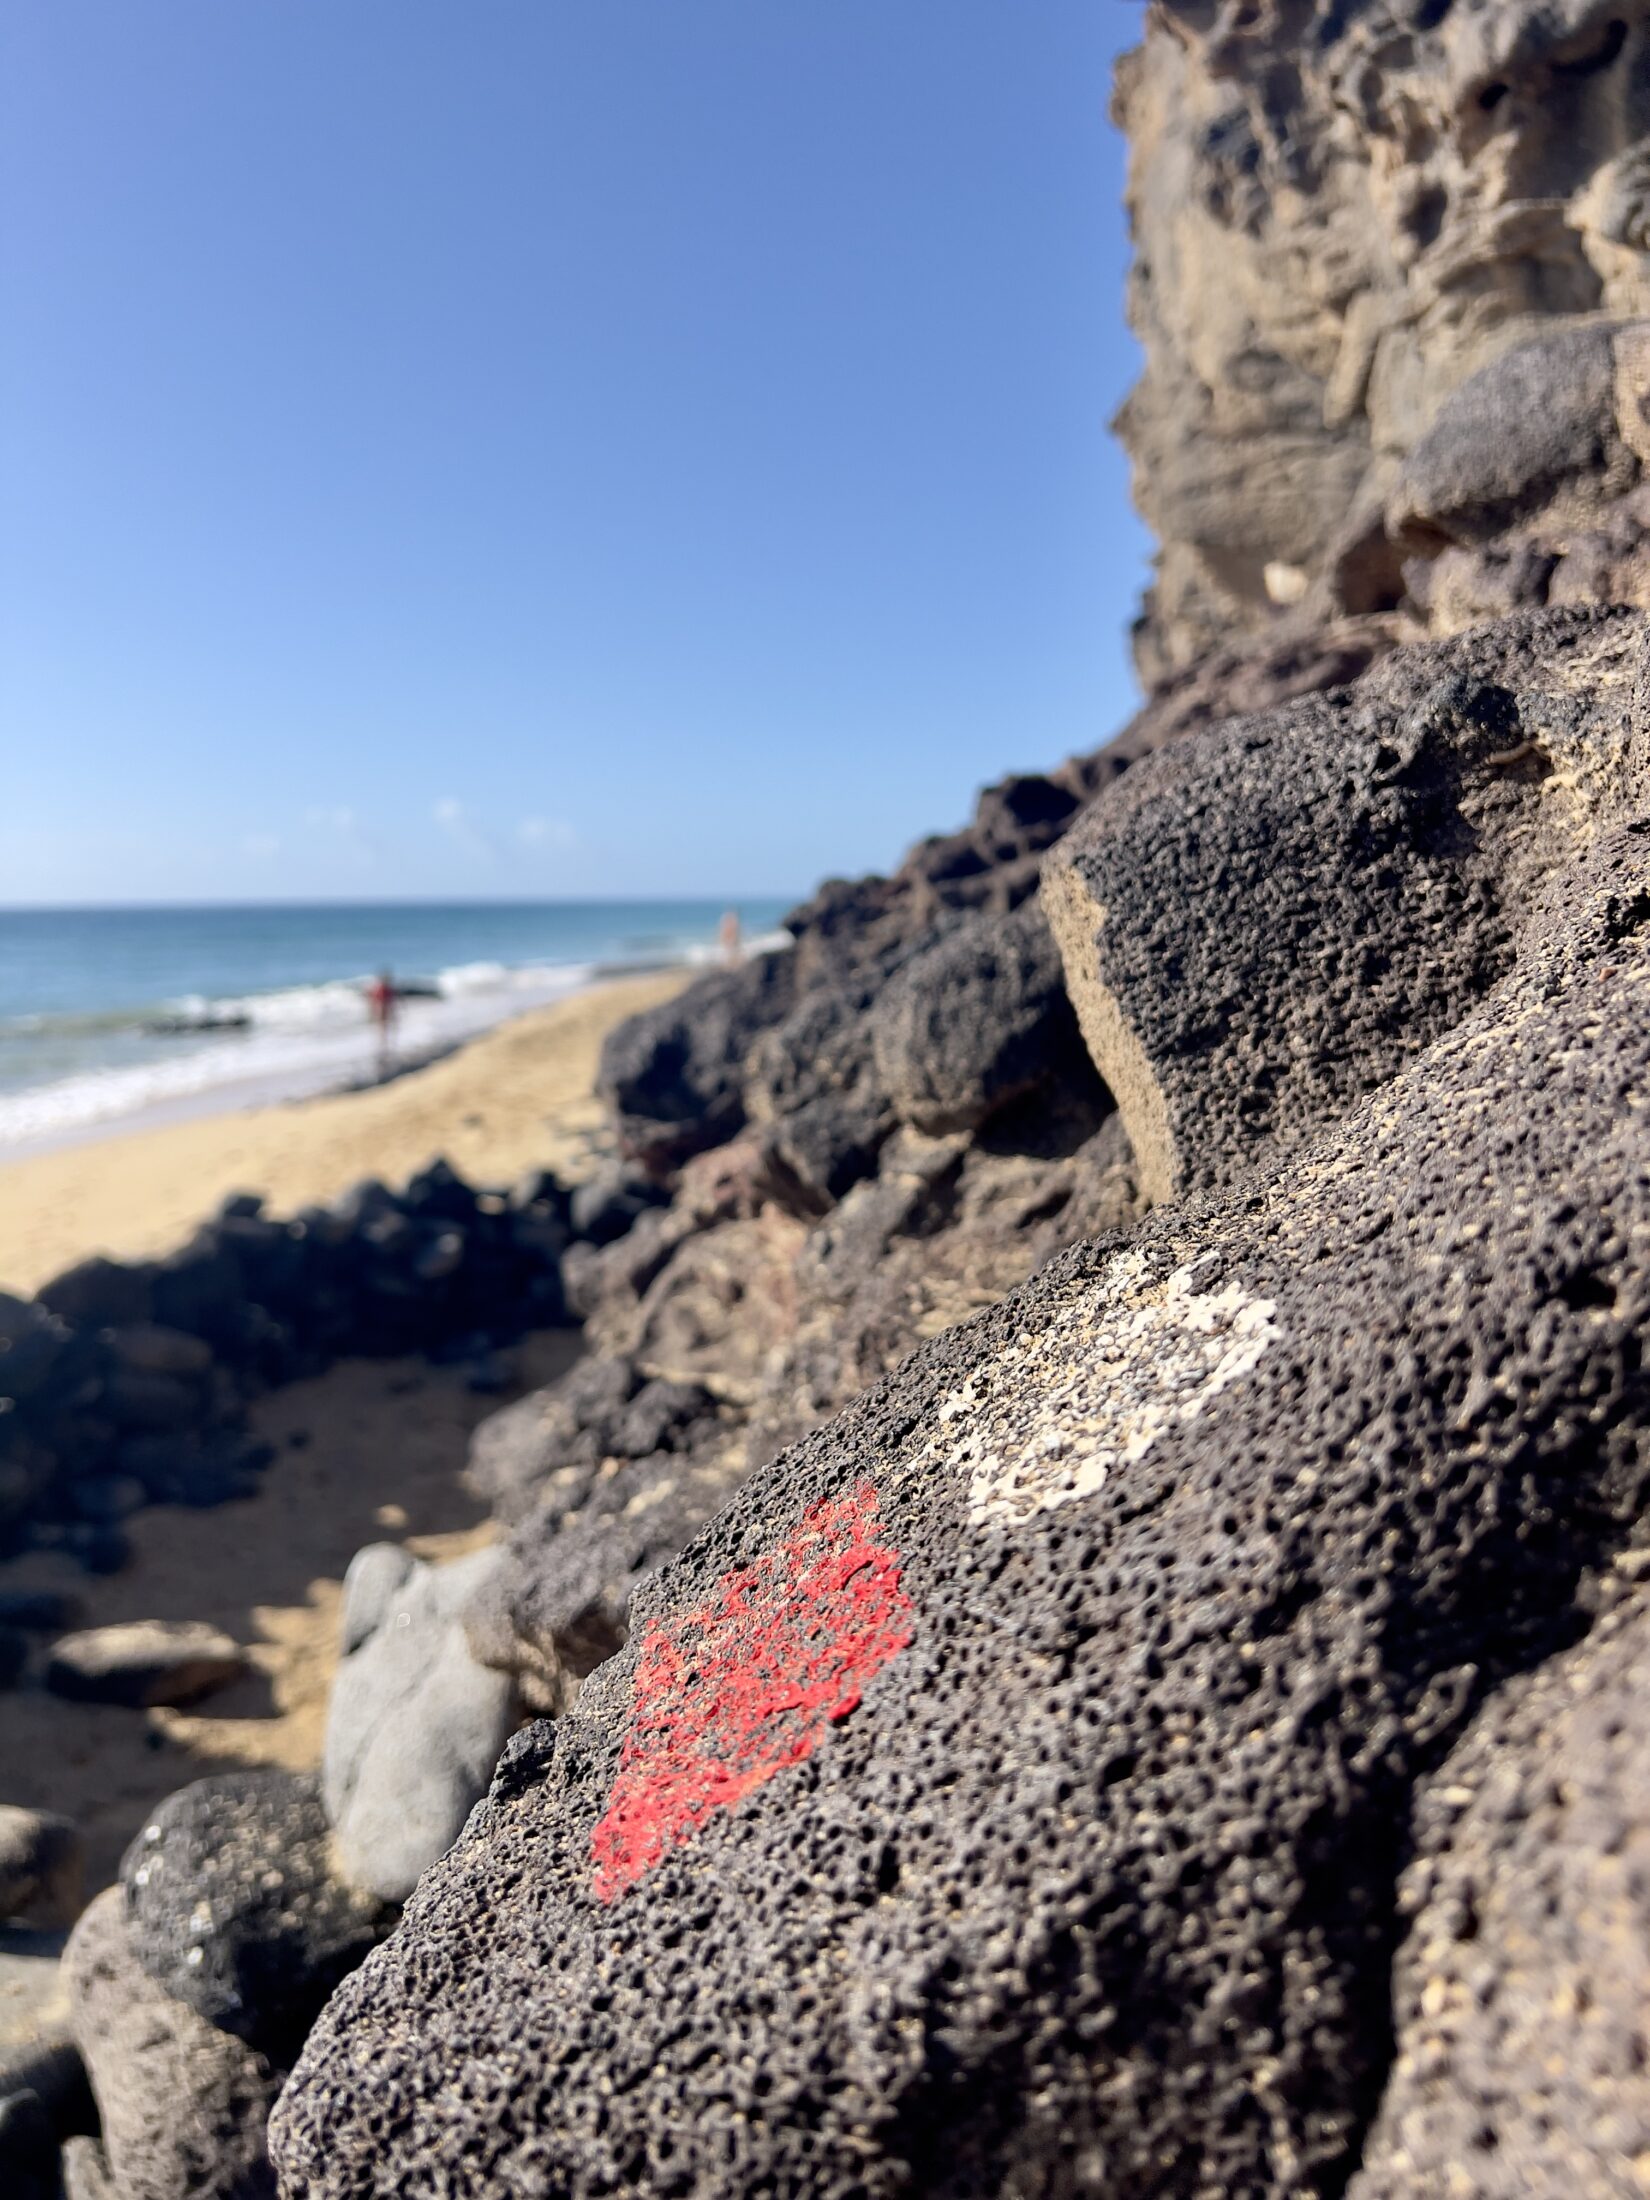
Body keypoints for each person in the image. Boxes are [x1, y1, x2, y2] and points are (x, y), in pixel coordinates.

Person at [366, 968, 398, 1080]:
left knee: (383, 1032)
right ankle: (382, 1050)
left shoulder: (384, 988)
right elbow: (376, 1001)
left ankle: (383, 1050)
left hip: (384, 1012)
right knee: (382, 1032)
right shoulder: (382, 989)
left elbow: (389, 1002)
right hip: (382, 1012)